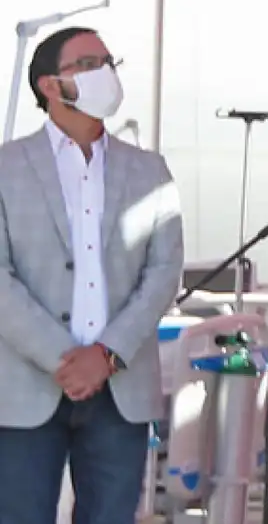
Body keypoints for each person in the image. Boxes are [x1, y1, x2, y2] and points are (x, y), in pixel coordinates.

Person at [0, 27, 184, 524]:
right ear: (50, 85)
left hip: (118, 390)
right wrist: (62, 358)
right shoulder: (6, 167)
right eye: (88, 63)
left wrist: (105, 355)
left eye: (109, 61)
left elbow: (165, 270)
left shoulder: (151, 171)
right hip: (24, 388)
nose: (107, 73)